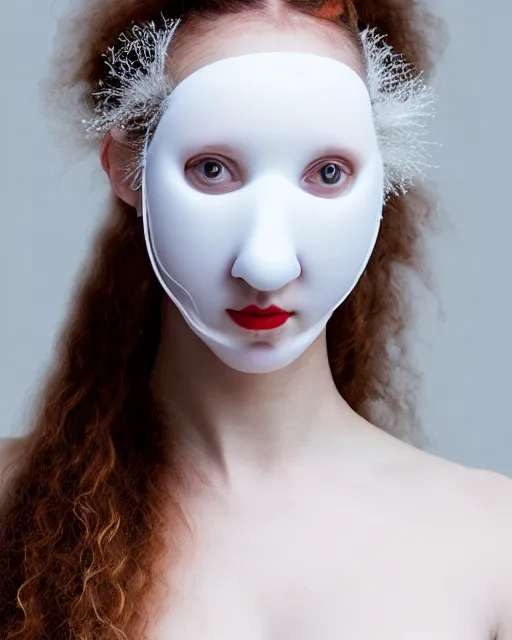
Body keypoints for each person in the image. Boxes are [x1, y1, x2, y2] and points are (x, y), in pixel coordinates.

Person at [0, 0, 511, 638]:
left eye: (327, 173)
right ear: (126, 168)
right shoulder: (10, 508)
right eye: (212, 170)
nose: (265, 264)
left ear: (386, 178)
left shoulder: (496, 545)